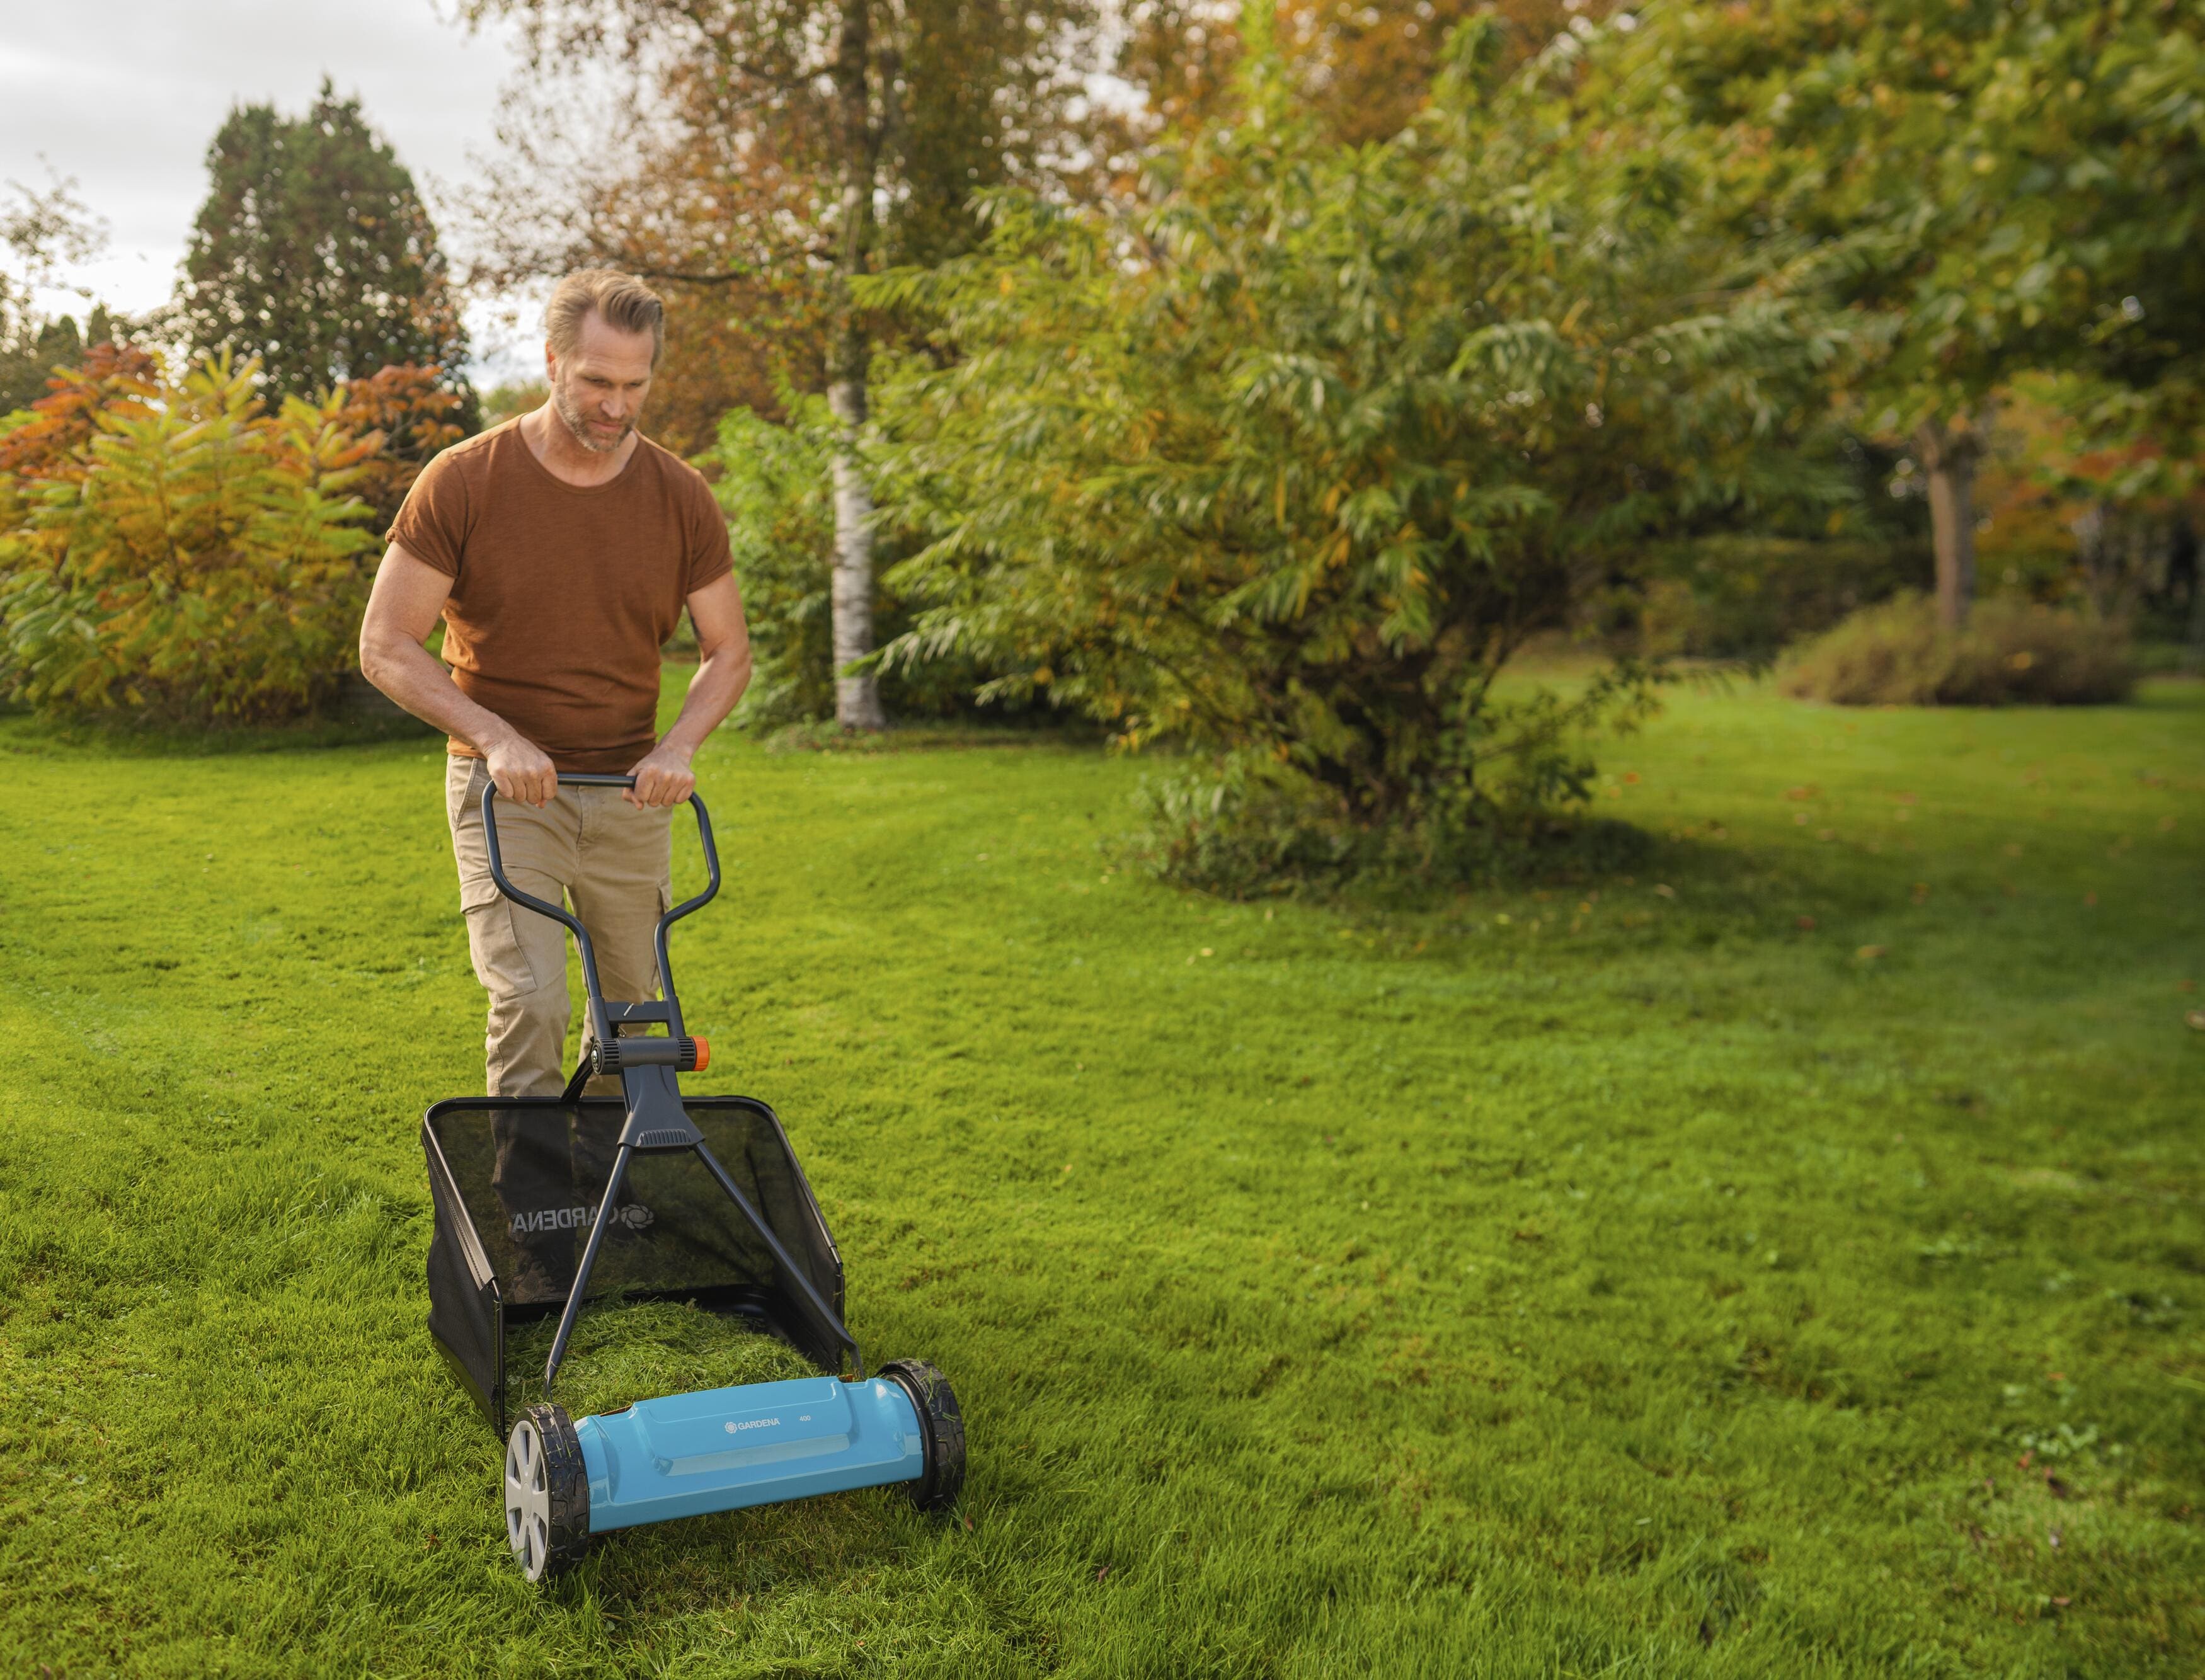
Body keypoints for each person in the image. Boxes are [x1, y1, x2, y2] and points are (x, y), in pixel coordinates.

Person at [360, 269, 751, 1291]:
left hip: (628, 793)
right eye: (594, 381)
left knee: (636, 1016)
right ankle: (531, 1233)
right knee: (531, 997)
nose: (614, 406)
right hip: (510, 794)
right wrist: (493, 735)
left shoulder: (678, 495)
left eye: (635, 385)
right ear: (549, 361)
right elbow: (387, 646)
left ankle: (617, 1210)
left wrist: (676, 749)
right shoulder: (467, 479)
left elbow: (726, 652)